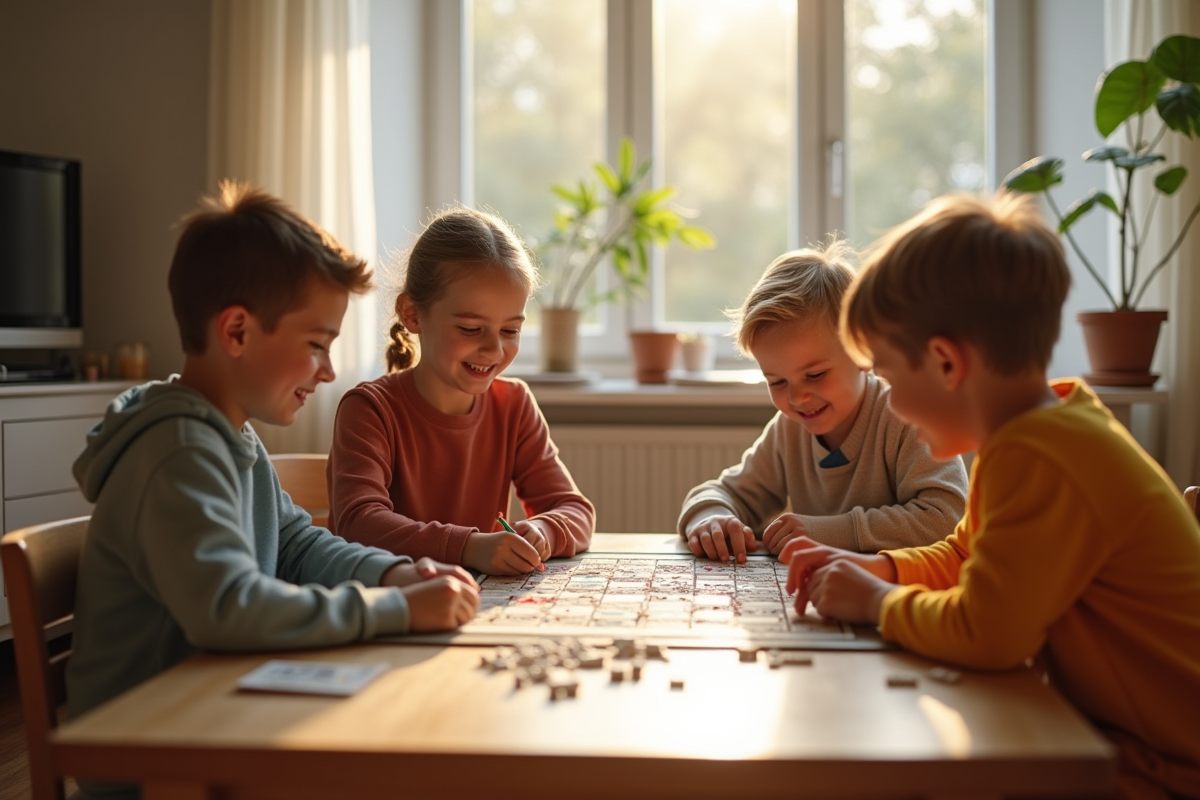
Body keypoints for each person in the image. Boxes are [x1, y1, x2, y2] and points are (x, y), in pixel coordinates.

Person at [782, 193, 1200, 800]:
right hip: (1129, 740)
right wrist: (885, 567)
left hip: (1168, 767)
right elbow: (966, 555)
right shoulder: (1043, 430)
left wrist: (878, 602)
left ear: (947, 363)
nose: (891, 404)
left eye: (892, 381)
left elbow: (988, 633)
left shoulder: (1039, 453)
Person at [67, 183, 480, 759]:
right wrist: (397, 608)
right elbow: (228, 609)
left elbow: (296, 545)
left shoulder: (229, 434)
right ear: (236, 331)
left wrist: (396, 575)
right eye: (317, 344)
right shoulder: (177, 451)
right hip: (156, 754)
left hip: (215, 713)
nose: (329, 371)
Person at [327, 207, 594, 575]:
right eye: (471, 329)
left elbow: (575, 510)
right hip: (392, 604)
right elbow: (358, 523)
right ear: (412, 314)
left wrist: (544, 530)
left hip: (473, 605)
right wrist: (468, 547)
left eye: (510, 331)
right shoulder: (369, 409)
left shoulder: (513, 404)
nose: (494, 350)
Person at [677, 241, 967, 564]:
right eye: (777, 382)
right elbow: (724, 492)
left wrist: (829, 532)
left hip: (902, 602)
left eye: (815, 375)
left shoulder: (905, 414)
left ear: (862, 352)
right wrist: (710, 518)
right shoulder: (789, 431)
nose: (797, 397)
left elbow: (948, 517)